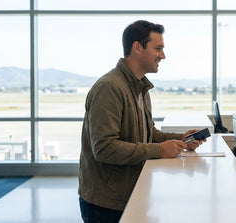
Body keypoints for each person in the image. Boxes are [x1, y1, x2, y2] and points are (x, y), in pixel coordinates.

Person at [78, 20, 204, 223]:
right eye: (158, 49)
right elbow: (104, 148)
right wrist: (160, 150)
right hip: (107, 204)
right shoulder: (109, 87)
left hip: (130, 194)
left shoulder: (140, 87)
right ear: (137, 47)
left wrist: (181, 139)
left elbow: (149, 133)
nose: (163, 56)